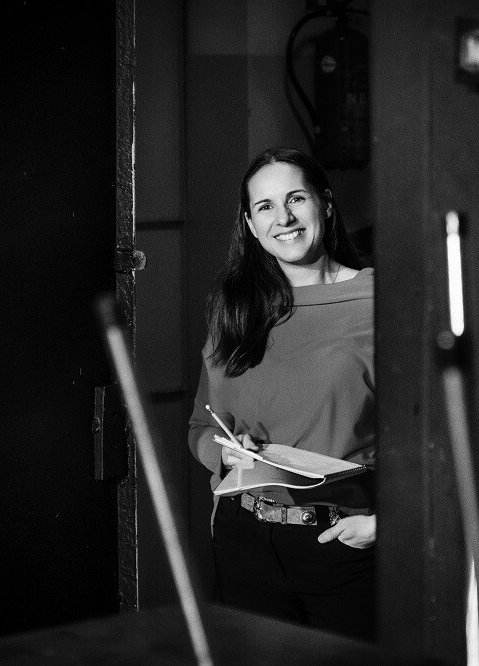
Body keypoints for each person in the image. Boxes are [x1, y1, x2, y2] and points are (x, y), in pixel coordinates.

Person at [187, 147, 376, 641]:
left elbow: (432, 435)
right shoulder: (235, 307)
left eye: (296, 199)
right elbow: (202, 426)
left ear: (325, 204)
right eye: (265, 206)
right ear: (251, 225)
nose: (283, 218)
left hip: (341, 541)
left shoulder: (380, 301)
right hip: (243, 539)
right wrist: (223, 454)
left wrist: (385, 524)